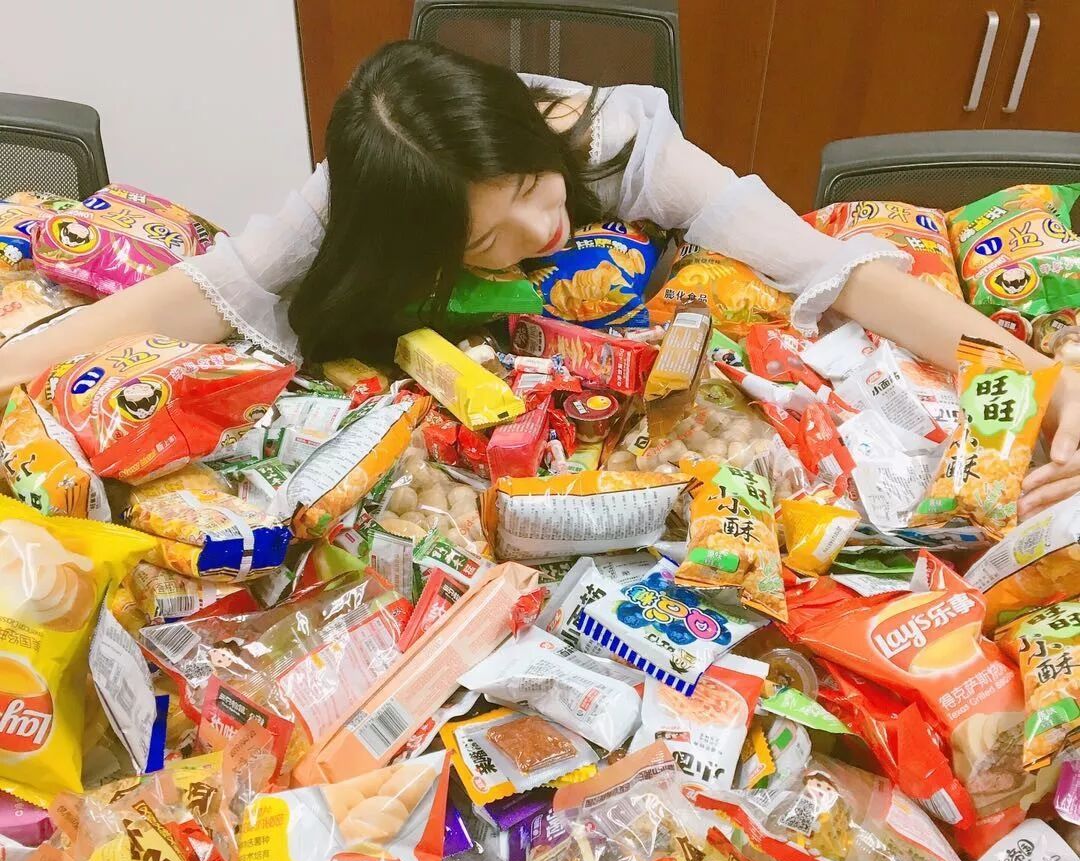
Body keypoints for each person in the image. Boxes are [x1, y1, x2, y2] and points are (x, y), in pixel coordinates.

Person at [2, 41, 1078, 516]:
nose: (541, 223)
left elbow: (828, 269)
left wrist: (1038, 372)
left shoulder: (622, 141)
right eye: (490, 237)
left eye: (528, 181)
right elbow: (199, 292)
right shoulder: (347, 211)